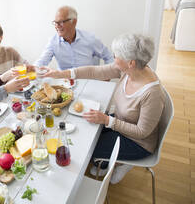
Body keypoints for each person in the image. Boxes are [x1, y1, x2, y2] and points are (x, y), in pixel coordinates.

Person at [42, 33, 165, 184]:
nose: (113, 57)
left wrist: (107, 120)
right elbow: (95, 71)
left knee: (87, 148)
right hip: (121, 122)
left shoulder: (152, 94)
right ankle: (107, 159)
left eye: (116, 55)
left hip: (138, 142)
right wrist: (61, 73)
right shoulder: (129, 70)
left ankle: (123, 162)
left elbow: (142, 132)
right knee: (85, 132)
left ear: (131, 62)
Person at [35, 6, 114, 70]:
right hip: (65, 84)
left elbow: (109, 57)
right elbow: (42, 61)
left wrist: (107, 75)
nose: (57, 26)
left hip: (88, 81)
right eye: (55, 22)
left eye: (61, 22)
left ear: (74, 22)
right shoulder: (53, 42)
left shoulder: (90, 39)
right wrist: (32, 68)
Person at [0, 22, 34, 89]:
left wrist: (27, 76)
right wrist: (9, 73)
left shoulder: (10, 51)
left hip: (13, 93)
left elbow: (28, 67)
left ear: (0, 38)